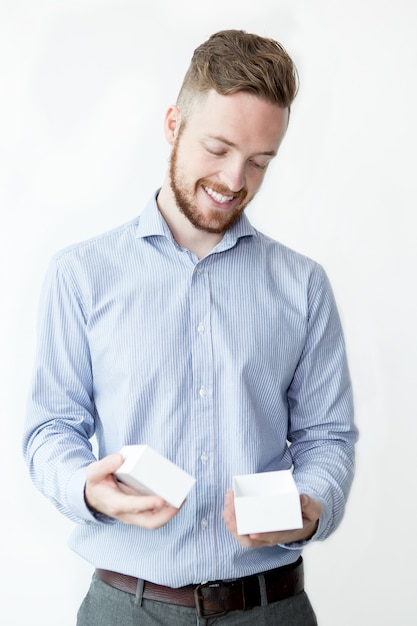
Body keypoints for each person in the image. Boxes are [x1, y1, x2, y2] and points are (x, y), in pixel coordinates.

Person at [23, 29, 357, 625]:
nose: (235, 180)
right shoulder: (81, 275)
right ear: (174, 123)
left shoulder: (302, 287)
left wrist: (309, 506)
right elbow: (52, 427)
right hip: (126, 607)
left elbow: (327, 439)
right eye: (219, 148)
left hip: (270, 607)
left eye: (260, 161)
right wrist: (84, 486)